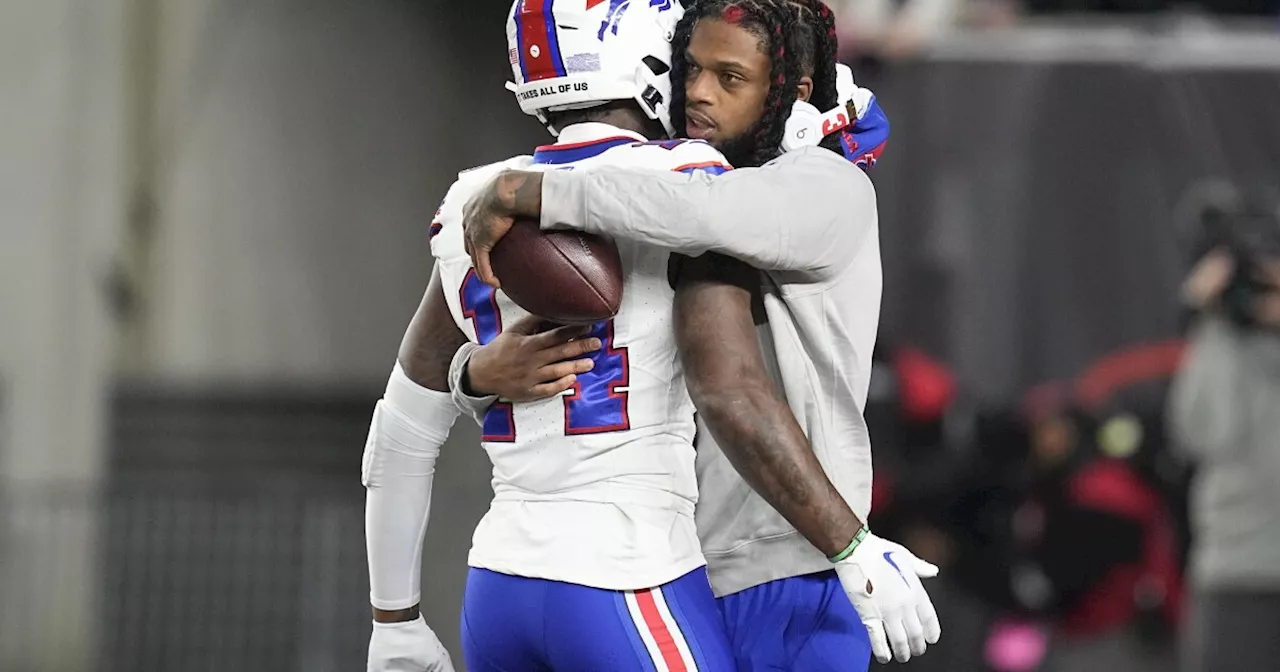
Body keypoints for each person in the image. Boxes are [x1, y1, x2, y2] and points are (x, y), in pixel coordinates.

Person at [460, 0, 940, 667]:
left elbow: (705, 223)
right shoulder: (690, 185)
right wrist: (473, 375)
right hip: (685, 566)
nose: (696, 94)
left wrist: (534, 189)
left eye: (729, 77)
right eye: (690, 69)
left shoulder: (824, 184)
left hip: (790, 566)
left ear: (791, 92)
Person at [365, 1, 742, 670]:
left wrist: (394, 620)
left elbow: (399, 431)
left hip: (498, 586)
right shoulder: (692, 180)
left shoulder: (469, 203)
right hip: (626, 574)